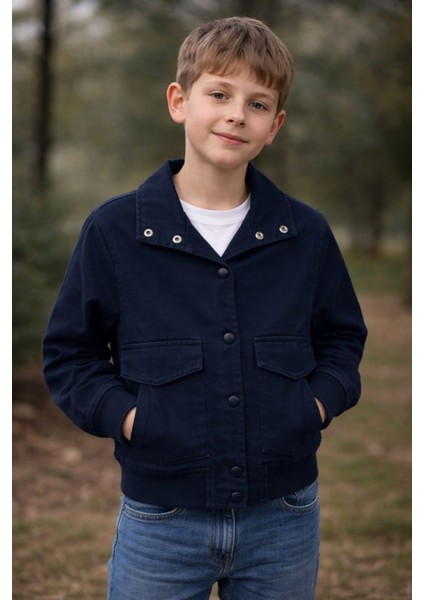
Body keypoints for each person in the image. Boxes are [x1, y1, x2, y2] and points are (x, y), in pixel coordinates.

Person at [43, 15, 367, 600]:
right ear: (179, 101)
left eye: (258, 104)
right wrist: (133, 419)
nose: (237, 114)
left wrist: (314, 406)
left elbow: (342, 340)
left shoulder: (306, 234)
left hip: (285, 517)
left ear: (275, 125)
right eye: (219, 94)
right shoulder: (114, 231)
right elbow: (72, 355)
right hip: (160, 519)